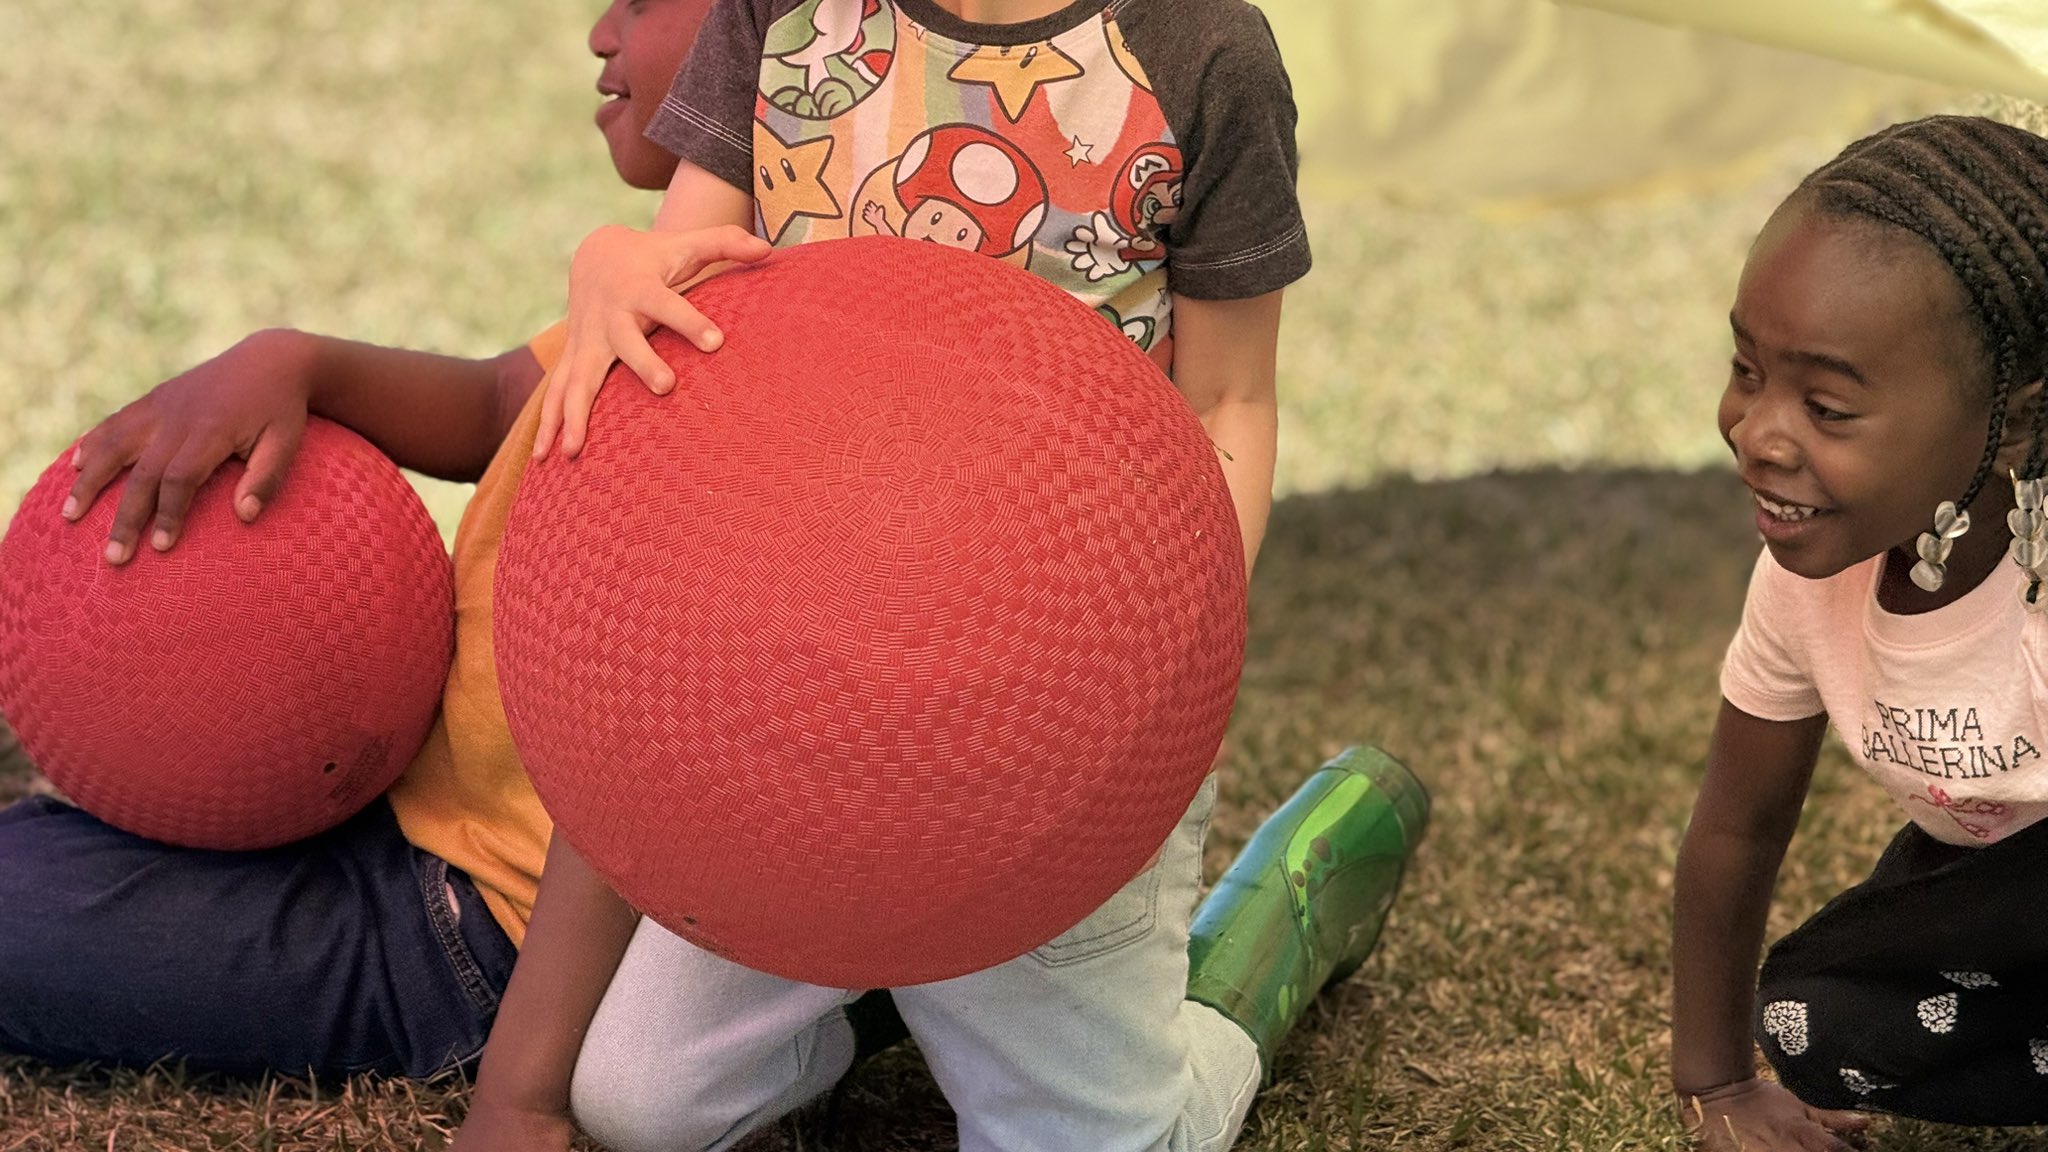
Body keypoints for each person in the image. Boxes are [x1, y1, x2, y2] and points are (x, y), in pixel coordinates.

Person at [452, 1, 1428, 1149]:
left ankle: (1274, 923)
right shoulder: (783, 14)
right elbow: (684, 286)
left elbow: (1227, 401)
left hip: (1051, 716)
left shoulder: (1201, 49)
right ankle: (896, 980)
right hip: (802, 698)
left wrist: (1147, 670)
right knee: (642, 1110)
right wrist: (609, 263)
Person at [0, 0, 727, 1080]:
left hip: (471, 945)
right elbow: (495, 407)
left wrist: (525, 1089)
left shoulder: (732, 366)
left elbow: (638, 737)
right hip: (397, 818)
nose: (599, 34)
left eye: (644, 2)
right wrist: (297, 362)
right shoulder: (675, 289)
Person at [1672, 113, 2048, 1150]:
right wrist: (1714, 1083)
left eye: (1826, 408)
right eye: (1747, 371)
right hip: (1986, 902)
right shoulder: (1804, 583)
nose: (1757, 435)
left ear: (2009, 423)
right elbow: (1736, 825)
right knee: (1811, 1016)